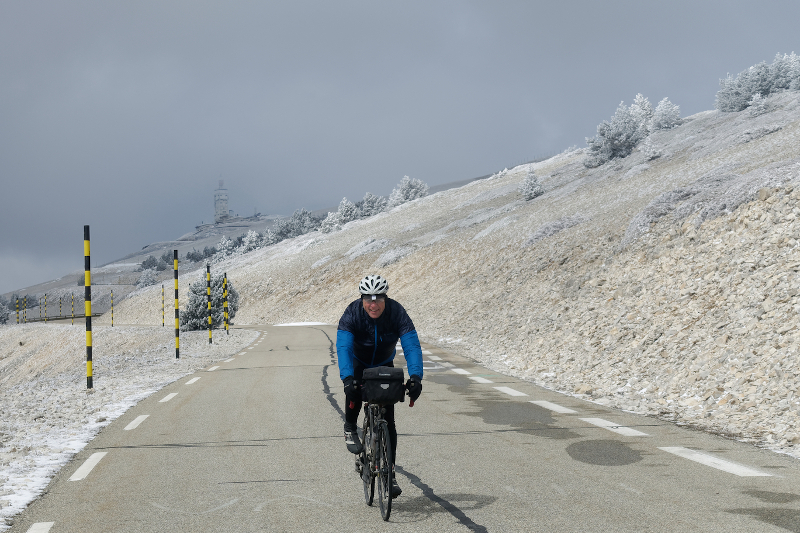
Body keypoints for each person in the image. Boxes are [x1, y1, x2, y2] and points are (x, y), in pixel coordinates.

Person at [337, 274, 423, 498]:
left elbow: (411, 345)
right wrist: (347, 378)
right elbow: (344, 347)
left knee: (389, 419)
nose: (373, 304)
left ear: (386, 298)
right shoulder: (352, 313)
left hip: (385, 363)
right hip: (359, 362)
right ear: (362, 299)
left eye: (378, 299)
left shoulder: (397, 312)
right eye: (368, 299)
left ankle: (390, 473)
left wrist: (416, 377)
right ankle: (349, 426)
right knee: (354, 389)